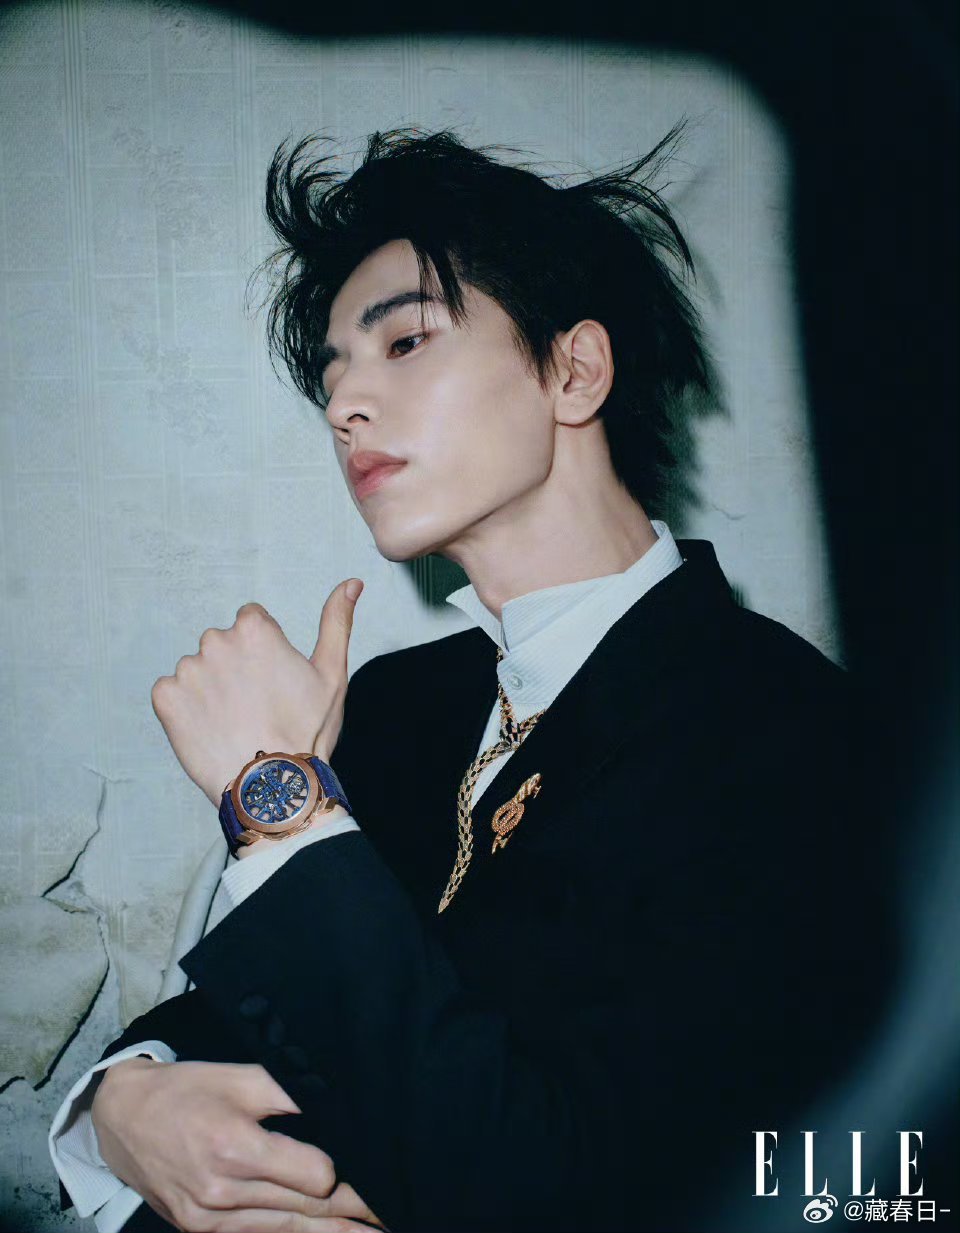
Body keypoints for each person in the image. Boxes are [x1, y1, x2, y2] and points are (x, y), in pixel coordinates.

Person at [50, 127, 891, 1233]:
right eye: (331, 374)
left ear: (574, 371)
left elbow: (565, 1184)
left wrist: (277, 801)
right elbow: (259, 1021)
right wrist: (116, 1102)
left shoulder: (789, 731)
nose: (343, 406)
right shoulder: (396, 704)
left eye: (403, 342)